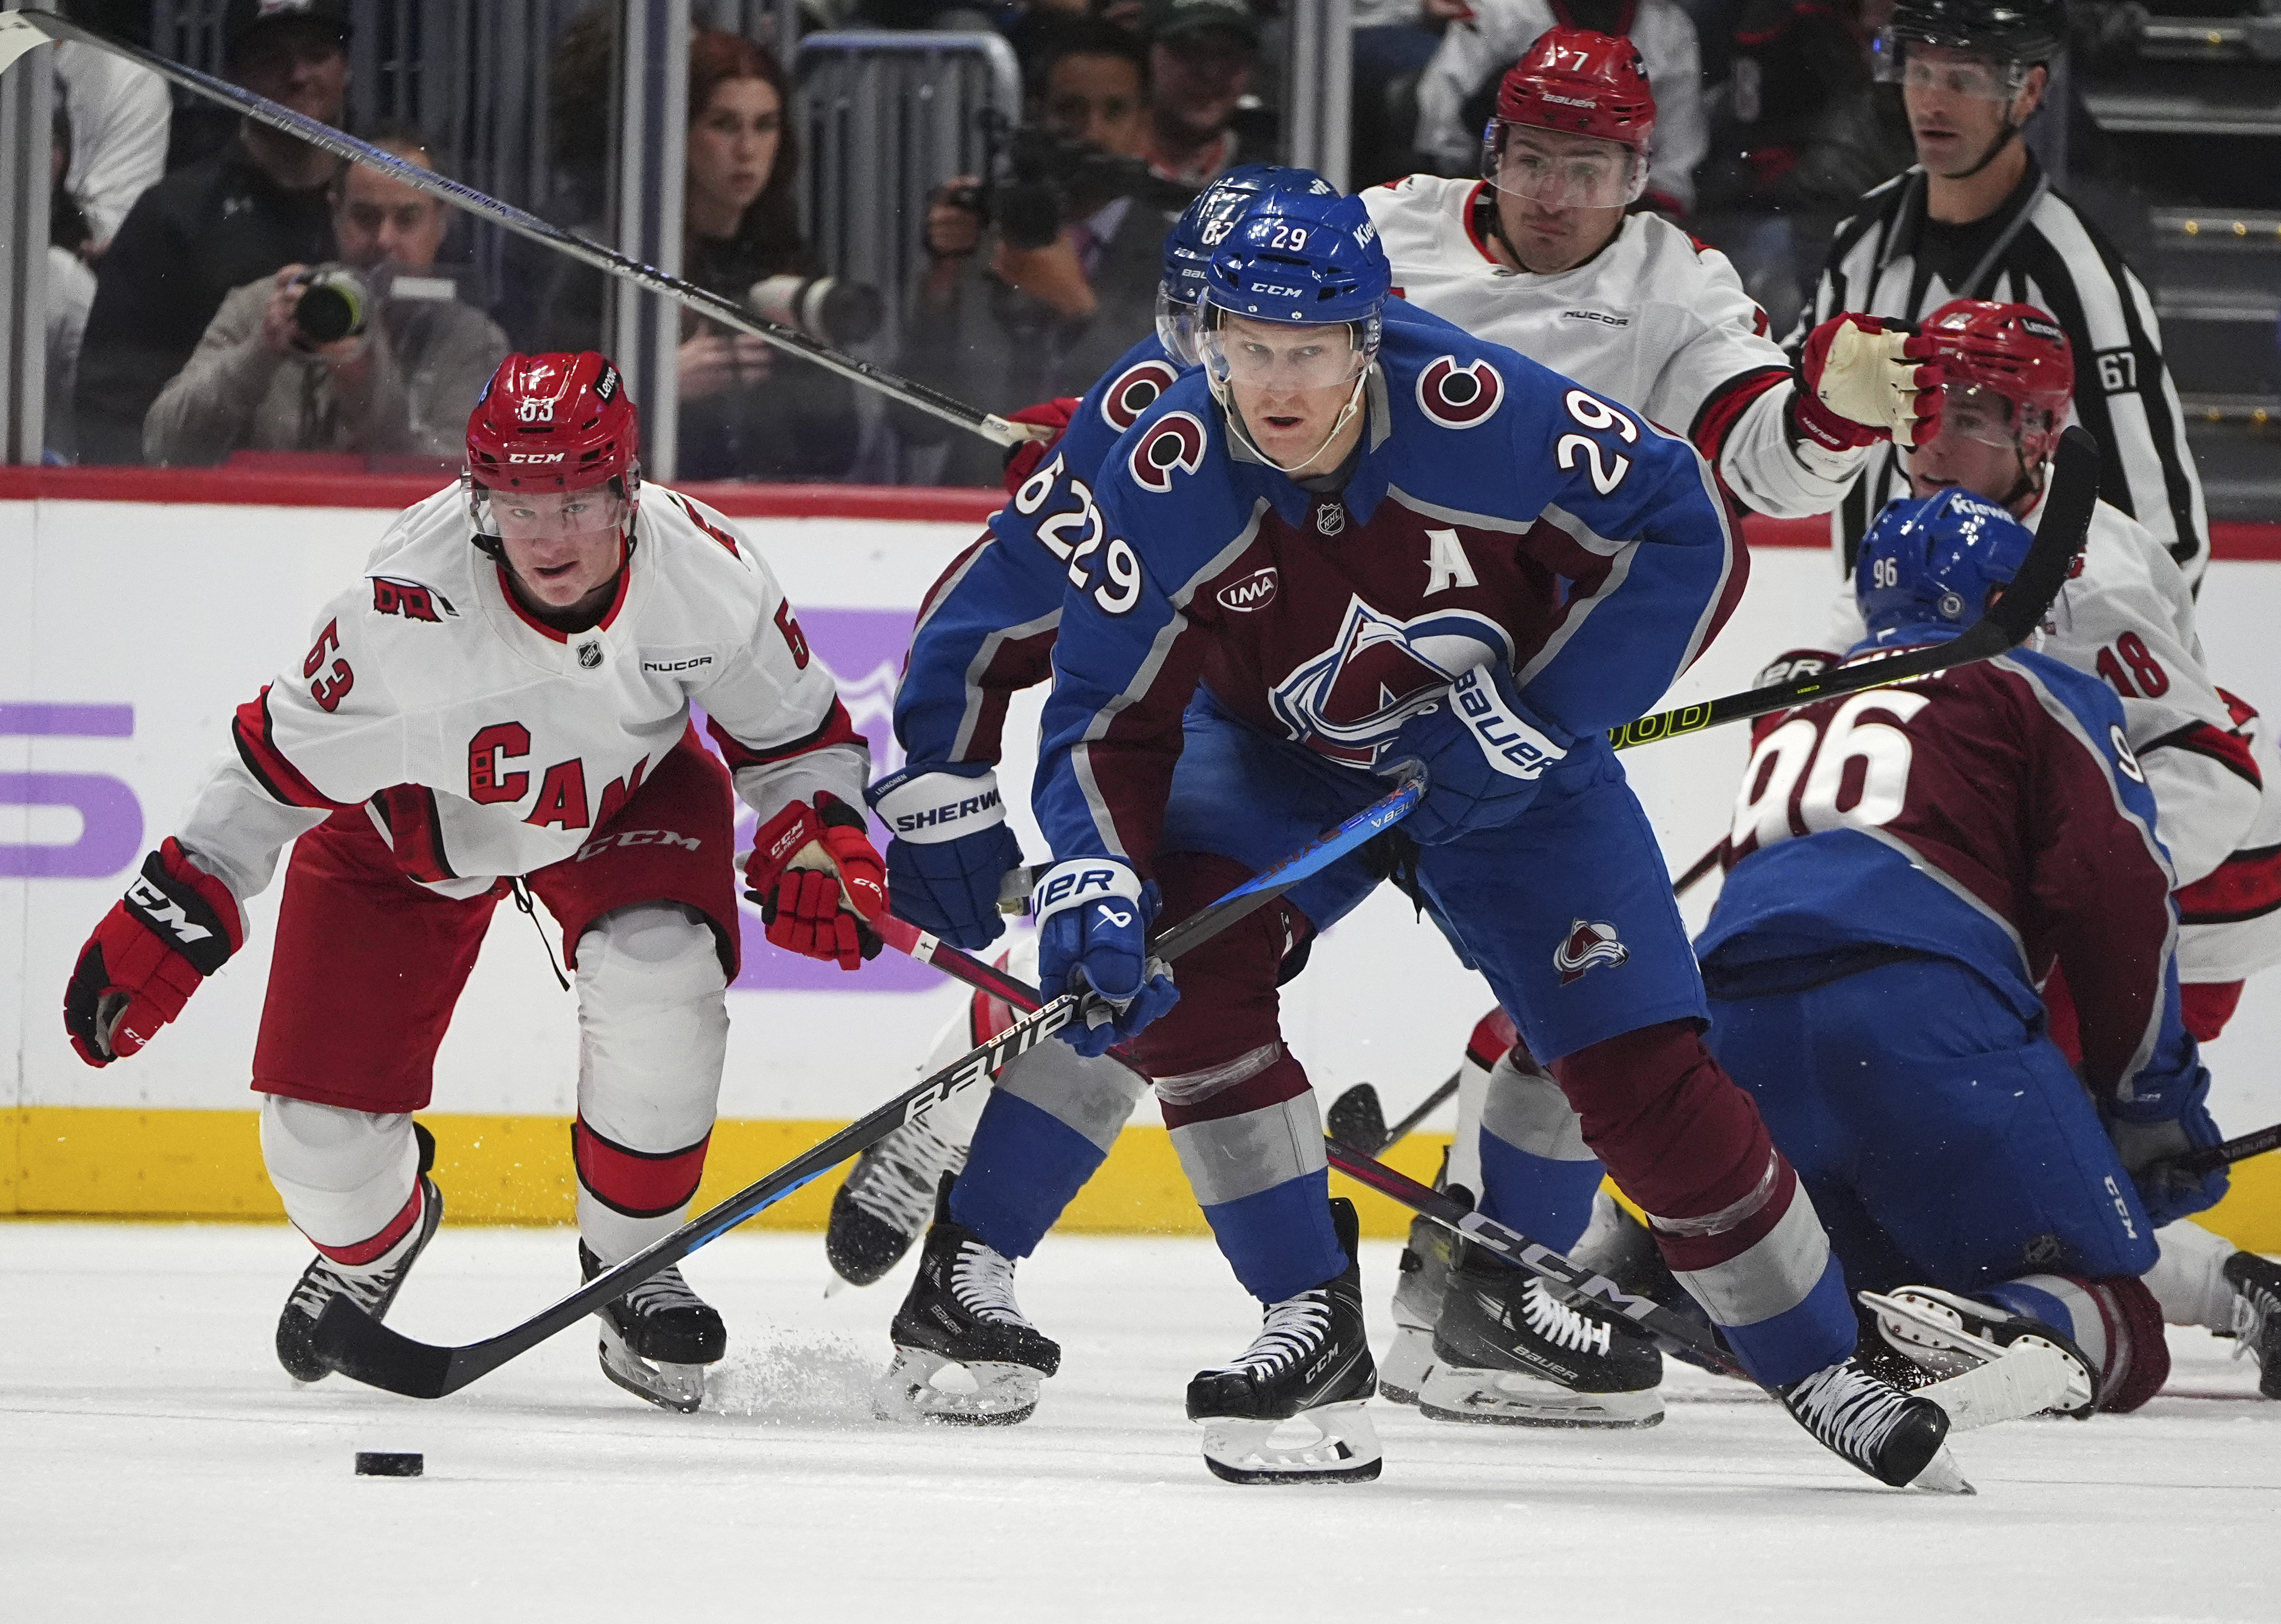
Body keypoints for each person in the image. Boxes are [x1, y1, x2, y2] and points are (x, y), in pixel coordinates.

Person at [888, 181, 1965, 1490]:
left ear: (1370, 330)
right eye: (1248, 346)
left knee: (1636, 1067)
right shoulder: (1160, 469)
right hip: (1274, 760)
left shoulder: (1486, 411)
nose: (1276, 385)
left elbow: (1677, 523)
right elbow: (1105, 716)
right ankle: (1305, 1316)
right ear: (1210, 333)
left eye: (1310, 350)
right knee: (1170, 974)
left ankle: (1819, 1359)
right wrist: (1095, 870)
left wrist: (1537, 714)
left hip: (1510, 774)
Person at [61, 352, 888, 1413]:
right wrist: (182, 894)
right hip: (406, 835)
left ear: (627, 489)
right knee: (317, 1149)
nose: (547, 534)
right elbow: (274, 767)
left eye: (579, 499)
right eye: (516, 501)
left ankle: (633, 1260)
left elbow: (796, 741)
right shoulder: (403, 605)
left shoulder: (707, 573)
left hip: (620, 804)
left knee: (661, 978)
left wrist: (814, 826)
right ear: (477, 494)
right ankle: (380, 1236)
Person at [834, 166, 1337, 1299]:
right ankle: (967, 1214)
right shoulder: (1138, 422)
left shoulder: (1392, 412)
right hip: (1206, 724)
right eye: (1213, 335)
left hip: (1361, 729)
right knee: (1135, 953)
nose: (1243, 376)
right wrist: (945, 799)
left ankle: (956, 1120)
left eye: (1277, 337)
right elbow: (974, 618)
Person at [1694, 486, 2273, 1413]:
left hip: (1732, 1042)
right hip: (1916, 1022)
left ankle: (1771, 1301)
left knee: (1875, 1289)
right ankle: (2015, 1326)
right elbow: (2115, 894)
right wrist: (2149, 1099)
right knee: (2117, 1320)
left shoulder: (1793, 703)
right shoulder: (2042, 686)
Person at [1367, 28, 1939, 525]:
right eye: (1532, 161)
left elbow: (1772, 477)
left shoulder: (1677, 286)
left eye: (1585, 172)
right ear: (1496, 155)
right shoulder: (1390, 227)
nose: (1551, 198)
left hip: (1546, 603)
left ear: (1635, 176)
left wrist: (1824, 424)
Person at [1798, 0, 2210, 585]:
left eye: (1963, 80)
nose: (1932, 102)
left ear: (2027, 92)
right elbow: (1796, 440)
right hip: (1875, 634)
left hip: (2023, 662)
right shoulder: (1861, 240)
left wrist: (2058, 659)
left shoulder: (2079, 282)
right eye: (1919, 73)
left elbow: (2163, 540)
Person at [534, 30, 861, 481]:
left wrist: (809, 366)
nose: (747, 151)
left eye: (765, 125)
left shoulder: (787, 258)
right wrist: (648, 387)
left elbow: (837, 448)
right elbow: (545, 425)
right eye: (724, 125)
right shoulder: (608, 261)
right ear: (679, 132)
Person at [900, 23, 1181, 485]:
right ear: (1037, 116)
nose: (1092, 132)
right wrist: (942, 281)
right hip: (975, 512)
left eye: (1114, 111)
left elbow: (1172, 425)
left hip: (1116, 521)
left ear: (1144, 125)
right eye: (1071, 110)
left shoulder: (1180, 255)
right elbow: (912, 425)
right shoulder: (987, 229)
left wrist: (1079, 307)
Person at [72, 0, 350, 465]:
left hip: (370, 502)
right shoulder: (173, 217)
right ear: (236, 77)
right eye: (272, 60)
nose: (299, 76)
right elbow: (110, 412)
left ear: (347, 69)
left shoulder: (384, 213)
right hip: (207, 506)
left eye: (317, 54)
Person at [143, 128, 511, 466]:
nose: (384, 239)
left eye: (407, 218)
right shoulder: (266, 306)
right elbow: (163, 445)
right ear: (335, 214)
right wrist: (259, 354)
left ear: (442, 221)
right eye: (365, 217)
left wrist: (367, 391)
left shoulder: (472, 342)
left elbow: (465, 479)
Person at [1412, 0, 1708, 215]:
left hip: (1615, 210)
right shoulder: (1497, 11)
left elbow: (1672, 170)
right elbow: (1443, 134)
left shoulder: (1668, 28)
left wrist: (1622, 228)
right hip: (1497, 193)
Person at [1138, 0, 1259, 186]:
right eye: (1190, 51)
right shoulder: (1103, 171)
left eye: (1228, 55)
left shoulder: (1273, 179)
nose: (1210, 73)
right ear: (1145, 58)